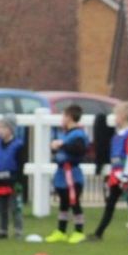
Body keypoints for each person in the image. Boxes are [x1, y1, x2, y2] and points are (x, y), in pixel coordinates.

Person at [92, 102, 128, 240]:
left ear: (123, 116)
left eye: (116, 115)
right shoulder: (117, 134)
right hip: (116, 175)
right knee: (111, 204)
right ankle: (99, 233)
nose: (114, 118)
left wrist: (125, 176)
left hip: (125, 176)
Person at [46, 104, 89, 244]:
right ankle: (61, 231)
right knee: (63, 203)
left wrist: (61, 145)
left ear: (69, 117)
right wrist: (54, 148)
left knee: (74, 201)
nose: (62, 119)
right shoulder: (65, 134)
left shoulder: (78, 134)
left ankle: (79, 231)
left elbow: (79, 150)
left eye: (63, 116)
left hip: (72, 174)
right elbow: (59, 151)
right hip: (61, 173)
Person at [0, 113, 26, 239]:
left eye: (3, 127)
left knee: (16, 208)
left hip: (13, 181)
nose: (0, 130)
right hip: (0, 181)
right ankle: (3, 230)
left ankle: (18, 231)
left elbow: (21, 166)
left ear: (10, 129)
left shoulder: (18, 146)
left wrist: (19, 182)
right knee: (2, 208)